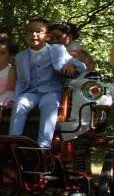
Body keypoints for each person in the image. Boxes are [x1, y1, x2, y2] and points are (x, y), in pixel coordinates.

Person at [9, 17, 87, 147]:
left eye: (39, 31)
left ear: (47, 35)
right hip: (32, 92)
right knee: (20, 103)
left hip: (51, 91)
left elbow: (80, 65)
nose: (34, 34)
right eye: (30, 31)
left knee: (49, 104)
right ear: (26, 34)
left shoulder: (57, 50)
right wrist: (15, 98)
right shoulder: (20, 57)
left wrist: (72, 66)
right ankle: (13, 143)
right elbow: (22, 81)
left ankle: (43, 147)